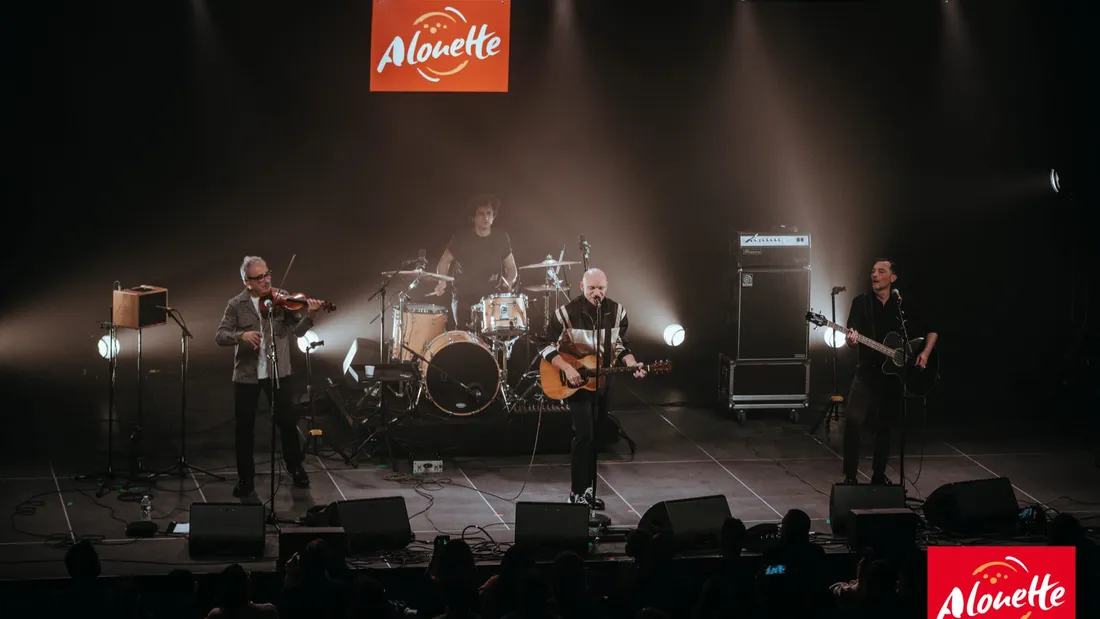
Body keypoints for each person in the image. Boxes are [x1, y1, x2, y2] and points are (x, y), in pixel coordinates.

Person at [215, 256, 322, 497]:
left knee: (287, 422)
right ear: (247, 281)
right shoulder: (236, 304)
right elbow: (220, 335)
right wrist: (241, 336)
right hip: (247, 375)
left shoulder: (281, 298)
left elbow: (299, 331)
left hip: (278, 372)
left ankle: (295, 467)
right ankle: (245, 479)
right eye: (259, 277)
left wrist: (311, 315)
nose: (266, 280)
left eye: (267, 275)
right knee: (244, 429)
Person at [540, 268, 646, 509]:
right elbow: (544, 347)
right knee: (584, 435)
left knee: (596, 436)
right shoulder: (565, 314)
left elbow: (620, 347)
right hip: (575, 382)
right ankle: (576, 492)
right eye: (591, 289)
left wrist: (632, 364)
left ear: (607, 287)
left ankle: (588, 491)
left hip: (603, 381)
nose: (596, 293)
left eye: (601, 288)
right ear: (582, 287)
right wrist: (567, 368)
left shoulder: (617, 312)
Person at [842, 259, 938, 485]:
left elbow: (932, 330)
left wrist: (924, 353)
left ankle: (878, 475)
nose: (875, 275)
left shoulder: (903, 305)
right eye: (873, 271)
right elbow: (851, 339)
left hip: (893, 377)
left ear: (892, 278)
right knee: (853, 422)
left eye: (881, 271)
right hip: (866, 372)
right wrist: (852, 340)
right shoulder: (861, 303)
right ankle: (850, 477)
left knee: (885, 426)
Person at [430, 193, 518, 330]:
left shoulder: (501, 238)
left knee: (493, 339)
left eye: (489, 213)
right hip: (463, 297)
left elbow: (511, 268)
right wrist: (442, 281)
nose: (486, 217)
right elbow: (444, 261)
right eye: (481, 213)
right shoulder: (461, 238)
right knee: (466, 337)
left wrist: (509, 282)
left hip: (491, 298)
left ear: (494, 216)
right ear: (474, 217)